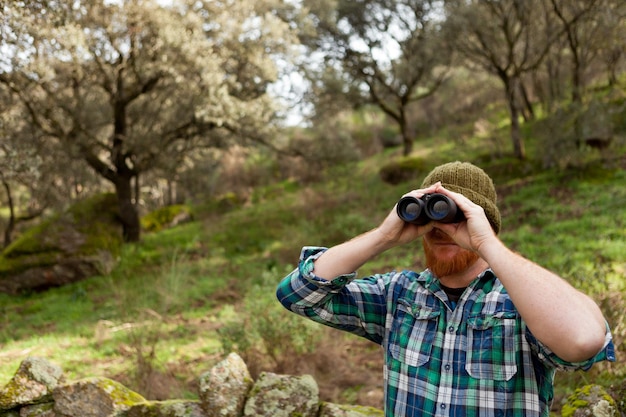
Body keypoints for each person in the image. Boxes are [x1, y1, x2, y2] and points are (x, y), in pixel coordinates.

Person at [276, 161, 615, 417]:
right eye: (431, 220)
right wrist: (384, 236)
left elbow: (583, 340)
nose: (443, 230)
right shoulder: (398, 295)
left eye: (456, 218)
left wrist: (486, 244)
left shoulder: (523, 303)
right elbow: (297, 294)